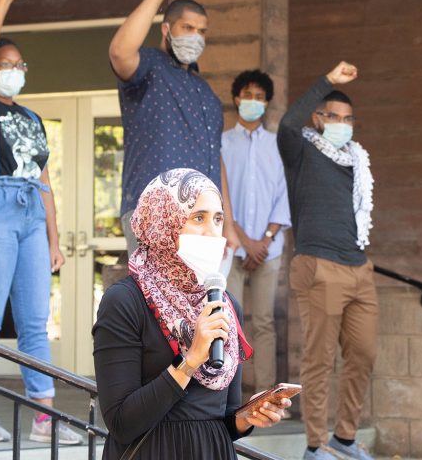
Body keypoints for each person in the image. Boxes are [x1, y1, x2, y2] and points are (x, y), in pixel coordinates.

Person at [0, 0, 82, 446]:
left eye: (17, 64)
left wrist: (53, 237)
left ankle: (43, 418)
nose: (11, 70)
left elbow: (44, 179)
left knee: (33, 320)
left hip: (29, 212)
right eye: (3, 64)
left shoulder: (30, 118)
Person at [93, 168, 291, 459]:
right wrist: (192, 359)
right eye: (198, 218)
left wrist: (248, 417)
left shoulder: (224, 303)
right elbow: (122, 422)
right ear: (163, 221)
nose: (212, 231)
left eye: (218, 219)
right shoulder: (124, 301)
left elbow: (221, 418)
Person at [277, 62, 377, 460]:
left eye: (349, 118)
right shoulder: (300, 148)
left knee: (364, 353)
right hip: (318, 264)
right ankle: (315, 445)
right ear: (318, 119)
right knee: (319, 359)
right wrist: (326, 83)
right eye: (334, 117)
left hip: (359, 266)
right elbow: (286, 123)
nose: (342, 124)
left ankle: (345, 438)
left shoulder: (357, 160)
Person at [108, 0, 240, 257]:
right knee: (157, 301)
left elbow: (215, 159)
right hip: (156, 209)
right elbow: (119, 52)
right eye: (188, 28)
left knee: (197, 302)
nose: (196, 37)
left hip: (203, 217)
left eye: (202, 31)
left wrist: (227, 223)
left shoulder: (205, 92)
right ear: (167, 29)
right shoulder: (149, 68)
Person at [221, 70, 291, 398]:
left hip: (268, 249)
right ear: (237, 99)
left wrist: (263, 240)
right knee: (228, 321)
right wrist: (244, 240)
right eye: (247, 95)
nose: (253, 101)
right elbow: (220, 195)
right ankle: (227, 393)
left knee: (264, 322)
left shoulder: (278, 146)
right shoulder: (221, 142)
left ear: (266, 103)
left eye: (259, 97)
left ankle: (265, 394)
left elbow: (283, 195)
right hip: (230, 246)